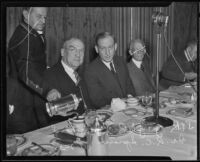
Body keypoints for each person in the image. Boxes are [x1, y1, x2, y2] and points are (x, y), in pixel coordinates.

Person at [7, 7, 61, 133]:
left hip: (32, 94)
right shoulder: (25, 36)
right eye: (39, 16)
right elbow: (26, 72)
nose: (43, 20)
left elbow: (32, 63)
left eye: (45, 17)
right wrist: (48, 90)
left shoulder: (30, 32)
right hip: (20, 100)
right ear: (26, 14)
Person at [43, 38, 92, 125]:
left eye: (81, 50)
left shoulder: (80, 74)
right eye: (72, 49)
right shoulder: (49, 75)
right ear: (62, 52)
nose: (78, 54)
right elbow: (44, 113)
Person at [84, 32, 136, 109]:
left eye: (110, 47)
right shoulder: (90, 70)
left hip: (128, 108)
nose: (107, 52)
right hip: (109, 112)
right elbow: (97, 100)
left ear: (115, 46)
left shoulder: (121, 61)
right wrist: (119, 103)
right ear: (96, 49)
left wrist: (130, 96)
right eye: (103, 48)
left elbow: (129, 84)